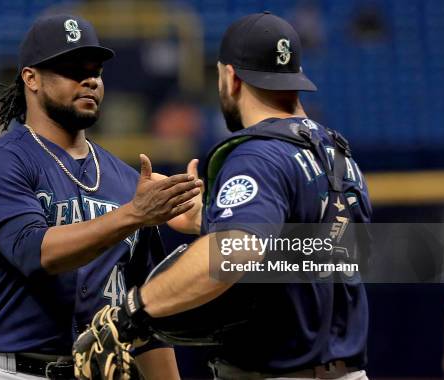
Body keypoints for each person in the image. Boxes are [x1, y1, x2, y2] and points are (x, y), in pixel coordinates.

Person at [74, 12, 372, 380]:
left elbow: (234, 252)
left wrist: (131, 312)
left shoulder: (257, 154)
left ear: (231, 77)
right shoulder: (338, 155)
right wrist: (207, 217)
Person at [0, 14, 200, 379]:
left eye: (96, 71)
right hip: (11, 371)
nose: (90, 80)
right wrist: (134, 214)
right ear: (31, 78)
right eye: (72, 69)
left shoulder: (127, 181)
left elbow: (146, 311)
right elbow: (33, 252)